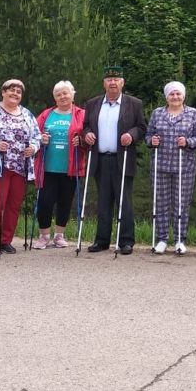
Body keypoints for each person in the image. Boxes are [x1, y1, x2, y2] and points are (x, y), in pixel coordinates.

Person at [82, 66, 146, 255]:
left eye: (116, 79)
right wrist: (87, 135)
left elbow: (142, 127)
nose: (112, 83)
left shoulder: (134, 103)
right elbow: (85, 126)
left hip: (122, 158)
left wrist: (131, 135)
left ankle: (126, 241)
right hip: (100, 159)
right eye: (109, 79)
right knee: (102, 203)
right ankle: (101, 240)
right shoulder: (93, 104)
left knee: (124, 201)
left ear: (122, 83)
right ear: (104, 83)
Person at [0, 78, 41, 256]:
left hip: (20, 166)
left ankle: (6, 241)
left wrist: (33, 148)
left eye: (19, 92)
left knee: (14, 205)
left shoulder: (27, 114)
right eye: (11, 90)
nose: (15, 94)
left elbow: (37, 136)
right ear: (3, 92)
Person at [146, 81, 196, 255]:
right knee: (161, 204)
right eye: (172, 94)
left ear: (183, 96)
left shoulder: (192, 113)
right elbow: (148, 135)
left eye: (178, 93)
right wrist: (152, 141)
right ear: (166, 96)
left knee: (181, 204)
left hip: (184, 166)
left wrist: (188, 142)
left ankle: (180, 239)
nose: (175, 97)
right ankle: (162, 239)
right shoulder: (157, 113)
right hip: (160, 165)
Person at [32, 80, 86, 249]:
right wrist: (41, 139)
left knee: (65, 201)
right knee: (45, 201)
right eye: (58, 94)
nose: (62, 96)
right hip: (47, 166)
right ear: (54, 97)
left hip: (70, 167)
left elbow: (90, 134)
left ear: (72, 94)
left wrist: (82, 140)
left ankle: (59, 236)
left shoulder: (81, 114)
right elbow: (33, 133)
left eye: (65, 93)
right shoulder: (46, 114)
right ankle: (44, 236)